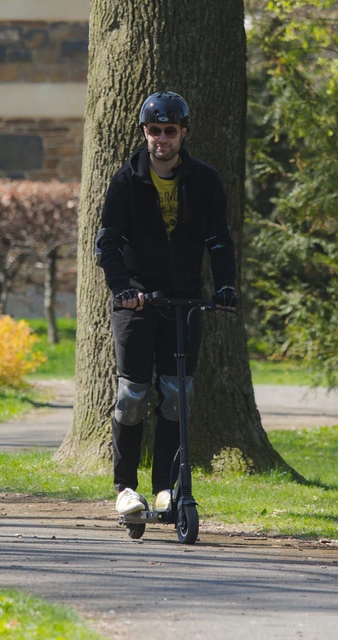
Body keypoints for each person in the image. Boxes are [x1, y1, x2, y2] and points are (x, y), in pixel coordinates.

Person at [95, 91, 239, 515]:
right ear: (145, 132)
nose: (162, 139)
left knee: (179, 393)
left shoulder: (206, 180)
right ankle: (125, 487)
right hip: (136, 302)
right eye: (154, 131)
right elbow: (109, 242)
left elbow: (219, 241)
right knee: (133, 395)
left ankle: (164, 488)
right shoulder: (125, 182)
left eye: (170, 131)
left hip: (184, 300)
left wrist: (226, 286)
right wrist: (123, 288)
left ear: (183, 133)